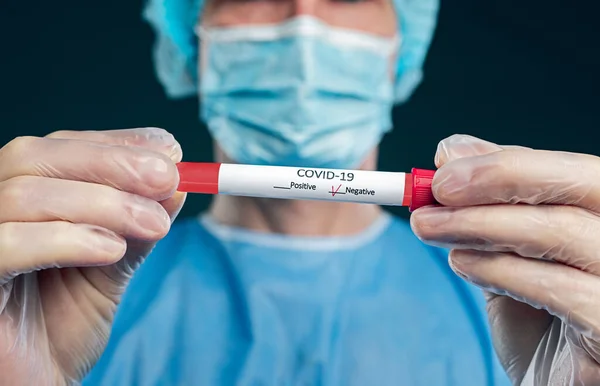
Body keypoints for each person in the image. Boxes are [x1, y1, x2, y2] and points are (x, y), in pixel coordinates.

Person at [2, 0, 600, 385]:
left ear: (401, 53)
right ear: (191, 43)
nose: (303, 17)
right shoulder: (62, 291)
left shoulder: (525, 305)